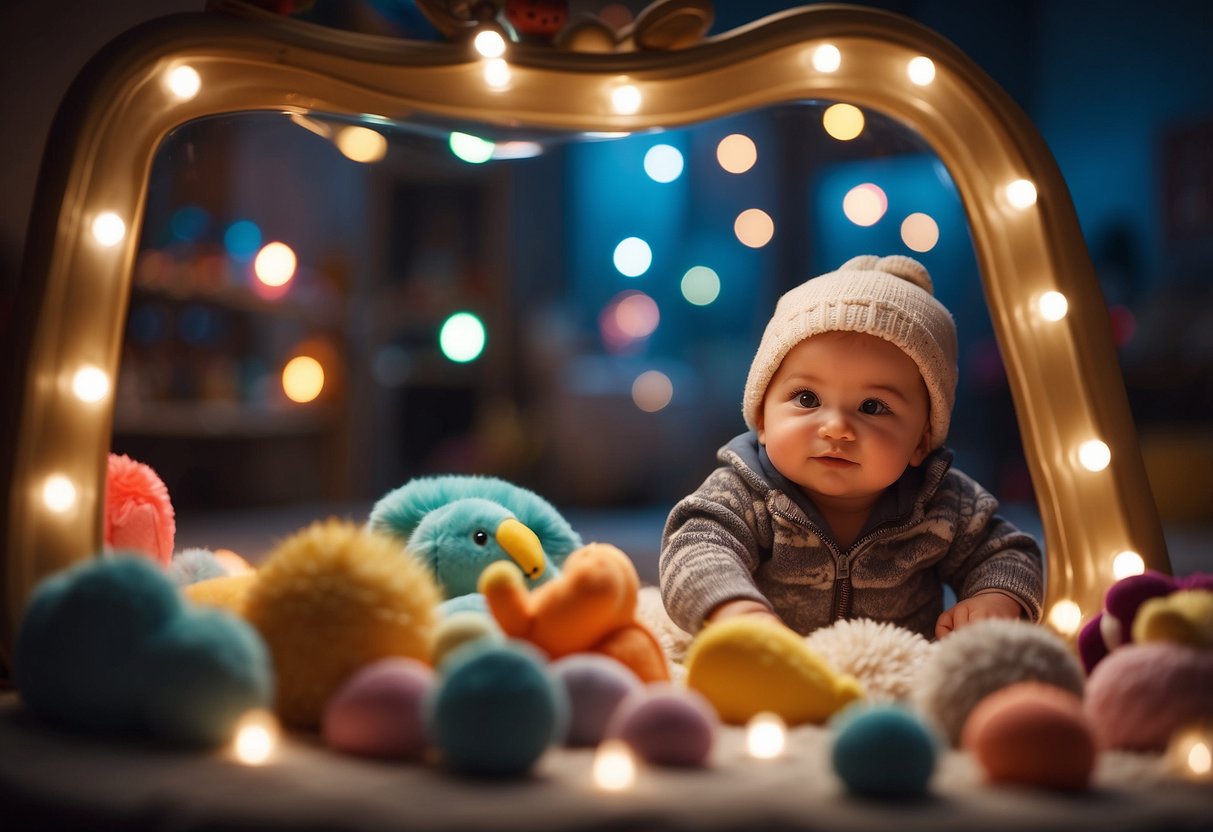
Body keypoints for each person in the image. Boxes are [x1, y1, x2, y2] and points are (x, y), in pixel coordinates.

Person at [660, 254, 1043, 641]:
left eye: (872, 407)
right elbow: (694, 549)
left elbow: (1008, 552)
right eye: (807, 399)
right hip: (777, 665)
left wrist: (995, 598)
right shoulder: (744, 493)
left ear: (922, 440)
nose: (837, 428)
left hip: (896, 675)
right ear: (761, 417)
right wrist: (736, 611)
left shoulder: (943, 504)